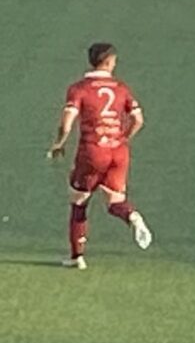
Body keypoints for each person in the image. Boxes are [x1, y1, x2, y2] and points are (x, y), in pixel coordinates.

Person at [48, 42, 152, 269]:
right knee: (115, 202)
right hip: (118, 152)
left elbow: (66, 124)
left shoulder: (79, 89)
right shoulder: (121, 88)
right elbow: (138, 120)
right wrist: (123, 138)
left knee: (79, 201)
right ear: (109, 62)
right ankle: (132, 216)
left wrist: (58, 144)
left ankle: (77, 257)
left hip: (92, 152)